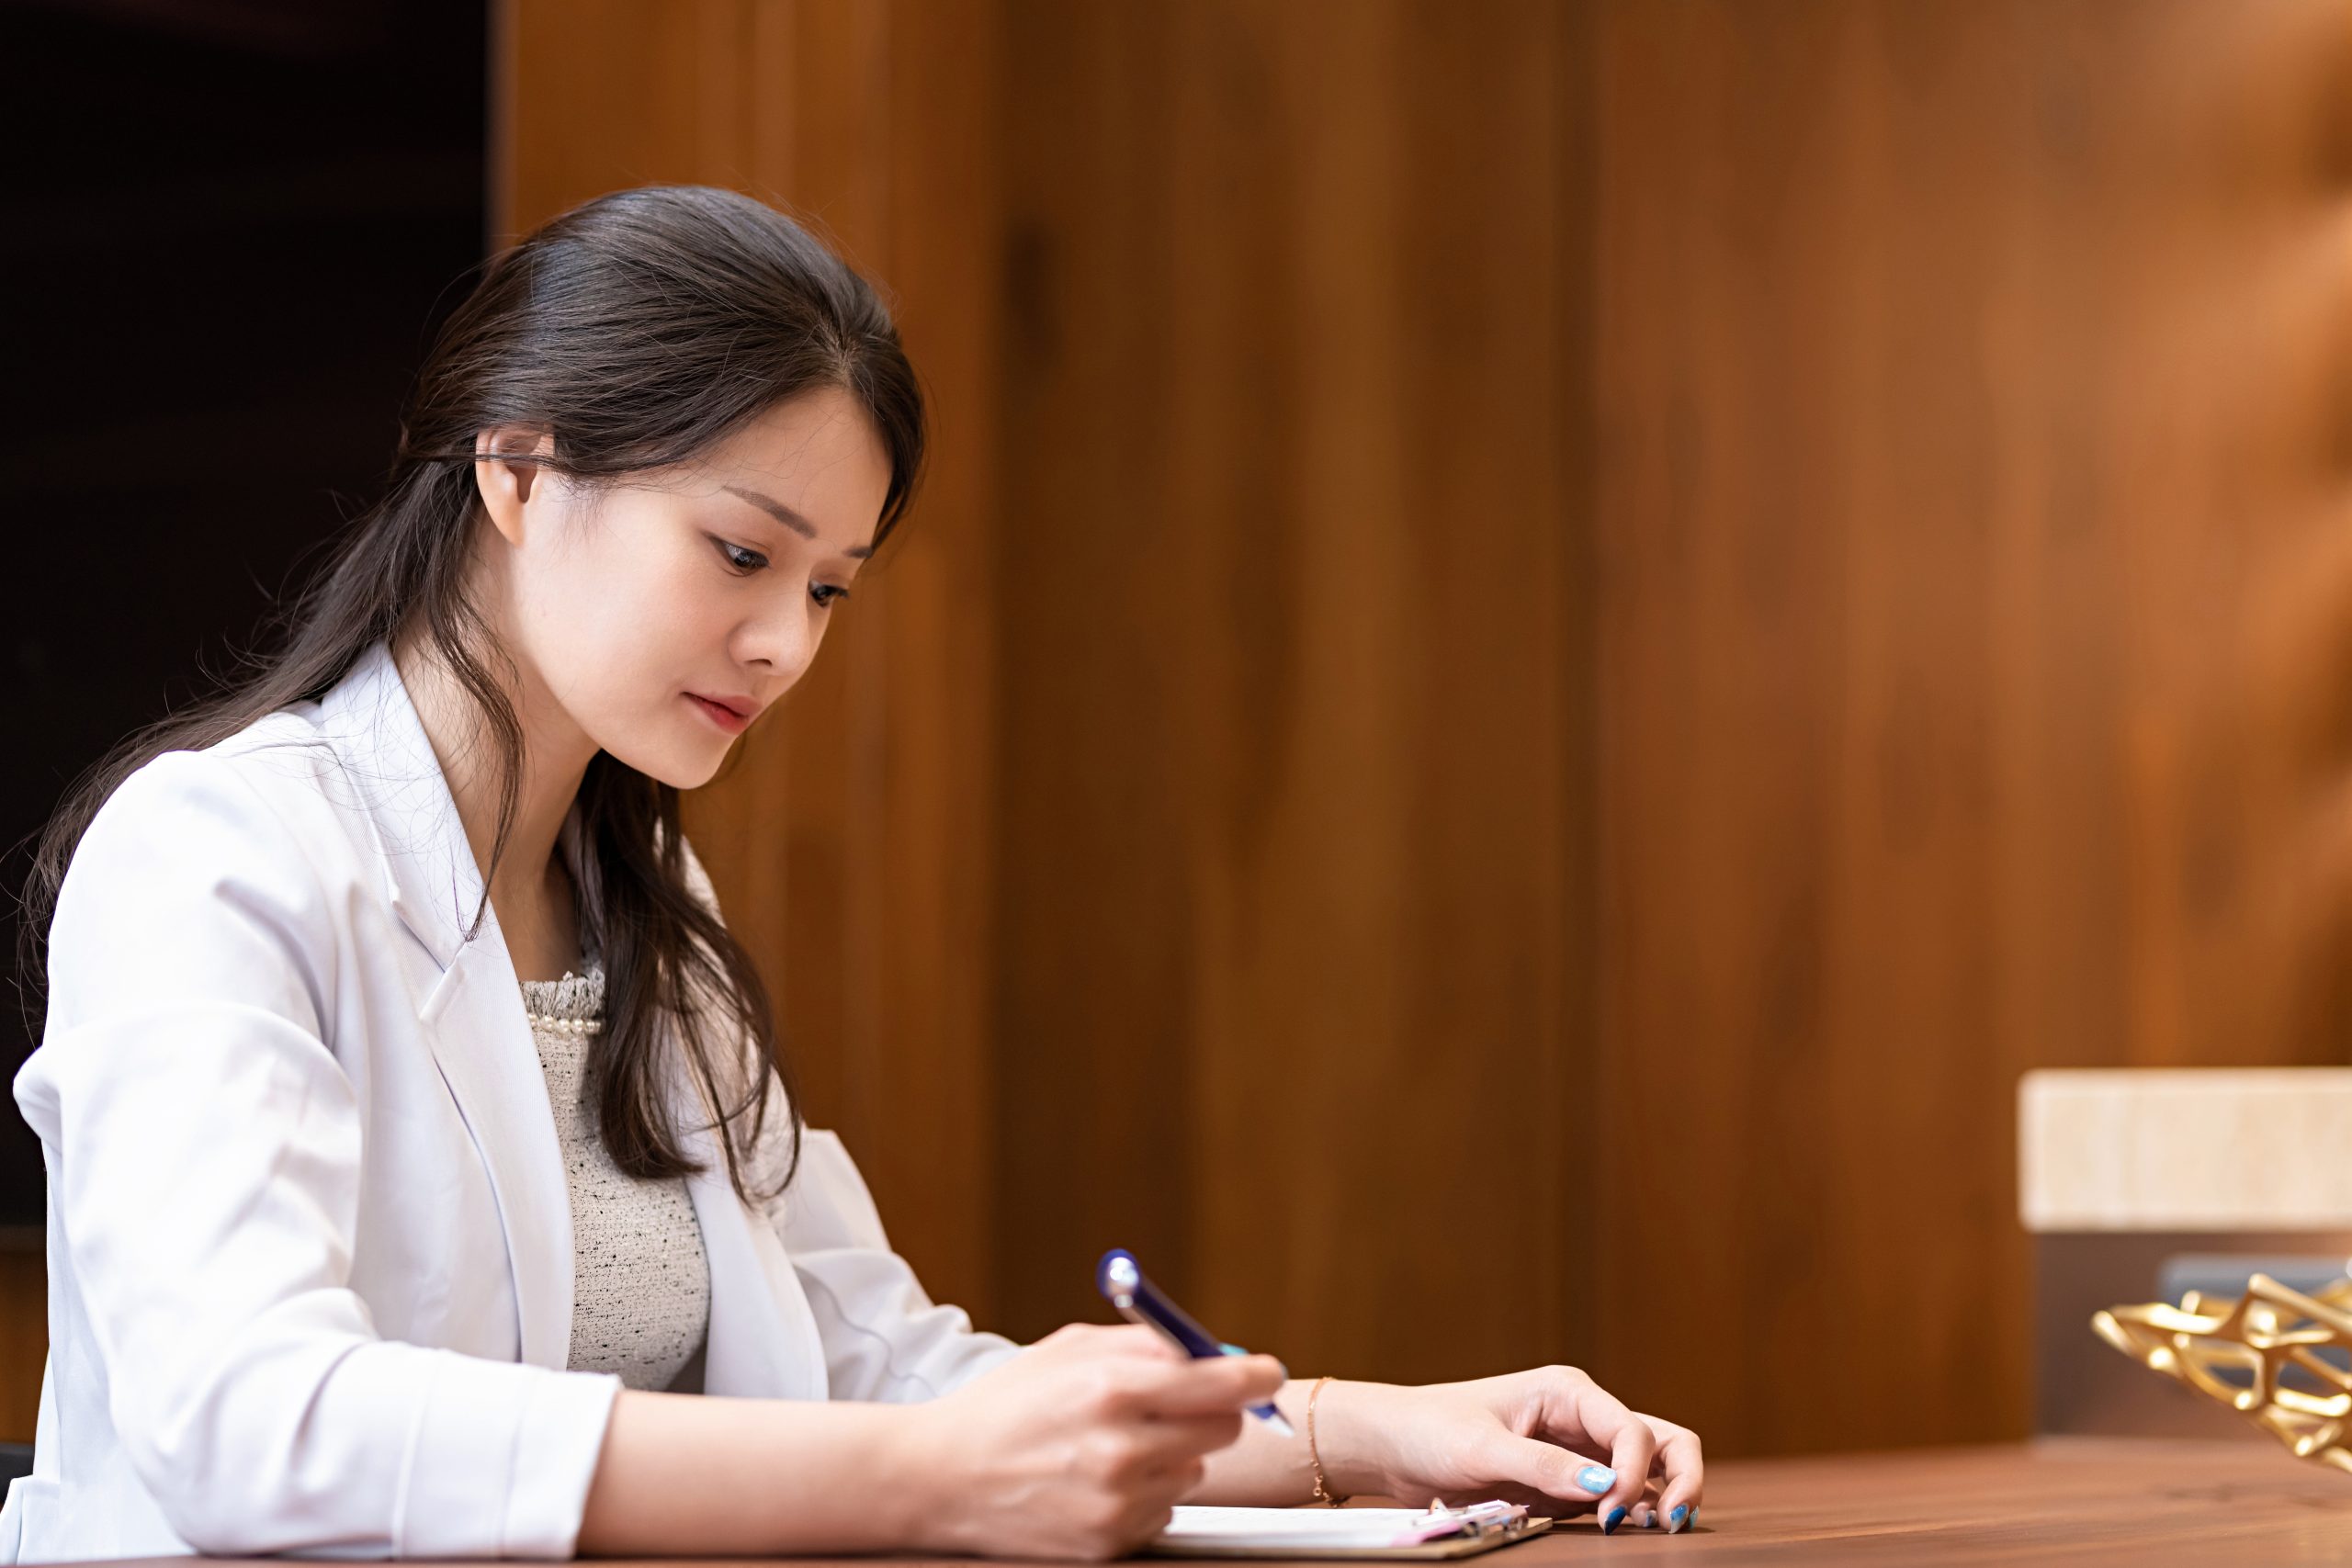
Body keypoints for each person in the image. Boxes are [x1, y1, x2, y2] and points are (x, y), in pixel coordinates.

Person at [3, 185, 1702, 1562]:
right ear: (517, 471)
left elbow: (885, 1375)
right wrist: (929, 1485)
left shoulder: (642, 905)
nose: (781, 644)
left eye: (827, 589)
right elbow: (247, 1424)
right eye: (741, 552)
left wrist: (1367, 1431)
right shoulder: (222, 854)